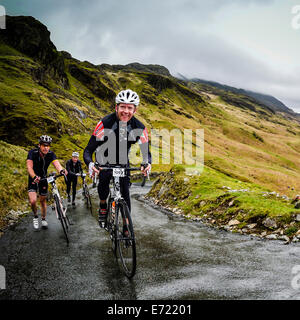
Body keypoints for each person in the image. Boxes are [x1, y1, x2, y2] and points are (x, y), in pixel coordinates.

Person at [83, 89, 151, 227]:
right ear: (116, 107)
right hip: (104, 158)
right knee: (103, 185)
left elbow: (146, 153)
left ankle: (126, 226)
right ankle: (103, 207)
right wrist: (90, 164)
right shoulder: (104, 123)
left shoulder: (139, 127)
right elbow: (88, 150)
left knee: (125, 192)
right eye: (123, 107)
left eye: (130, 108)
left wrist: (147, 163)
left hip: (122, 160)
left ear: (135, 110)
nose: (126, 111)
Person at [26, 135, 67, 230]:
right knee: (33, 201)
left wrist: (61, 171)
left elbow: (57, 165)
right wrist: (34, 176)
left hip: (44, 179)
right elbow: (29, 167)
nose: (46, 147)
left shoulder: (51, 154)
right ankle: (35, 216)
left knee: (42, 200)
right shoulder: (32, 152)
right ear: (39, 145)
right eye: (44, 145)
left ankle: (43, 219)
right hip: (33, 178)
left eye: (48, 145)